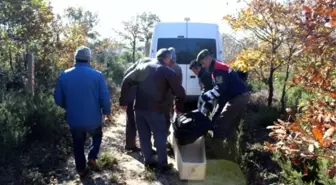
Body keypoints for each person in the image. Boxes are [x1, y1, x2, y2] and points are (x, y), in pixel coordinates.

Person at [119, 48, 186, 173]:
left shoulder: (143, 66)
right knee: (160, 136)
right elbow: (180, 93)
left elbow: (126, 81)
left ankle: (148, 161)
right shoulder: (168, 71)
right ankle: (162, 165)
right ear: (168, 58)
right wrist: (179, 107)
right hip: (156, 110)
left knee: (144, 136)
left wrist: (123, 101)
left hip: (138, 109)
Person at [54, 46, 111, 178]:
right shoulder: (97, 75)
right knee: (97, 136)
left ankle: (81, 170)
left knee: (78, 144)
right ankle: (92, 157)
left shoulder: (64, 75)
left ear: (75, 58)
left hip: (74, 119)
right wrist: (107, 111)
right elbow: (104, 97)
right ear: (89, 59)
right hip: (94, 119)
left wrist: (69, 106)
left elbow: (58, 99)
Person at [195, 49, 250, 159]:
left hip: (237, 98)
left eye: (202, 62)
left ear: (207, 58)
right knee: (230, 125)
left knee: (220, 124)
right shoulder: (216, 68)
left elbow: (219, 90)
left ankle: (218, 154)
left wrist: (205, 96)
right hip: (238, 96)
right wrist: (213, 109)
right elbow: (221, 94)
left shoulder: (218, 70)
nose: (203, 65)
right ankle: (233, 152)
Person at [123, 58, 152, 153]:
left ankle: (130, 145)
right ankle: (143, 147)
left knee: (130, 122)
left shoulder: (131, 70)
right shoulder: (140, 71)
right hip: (135, 100)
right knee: (140, 123)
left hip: (130, 99)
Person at [163, 47, 182, 136]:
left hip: (159, 96)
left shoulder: (161, 66)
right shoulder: (177, 68)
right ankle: (165, 134)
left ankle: (157, 138)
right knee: (167, 115)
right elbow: (178, 86)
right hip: (169, 97)